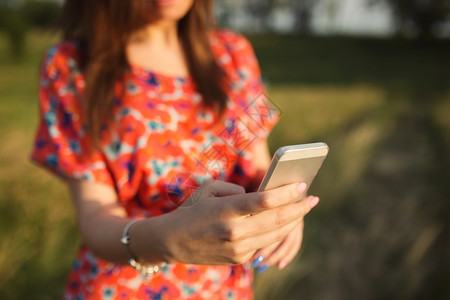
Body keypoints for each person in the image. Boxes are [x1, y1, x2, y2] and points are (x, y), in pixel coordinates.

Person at [31, 0, 320, 299]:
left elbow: (258, 165)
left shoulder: (234, 54)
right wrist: (167, 238)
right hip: (124, 288)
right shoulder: (71, 64)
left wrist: (281, 208)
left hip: (225, 289)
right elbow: (94, 217)